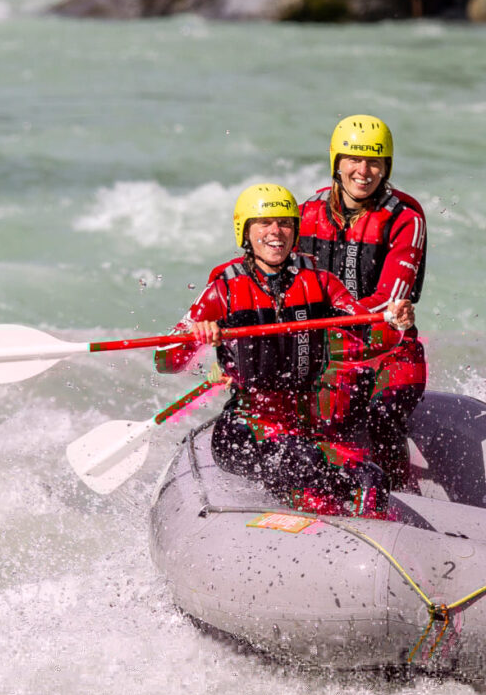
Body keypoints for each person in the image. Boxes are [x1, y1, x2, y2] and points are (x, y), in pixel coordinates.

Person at [157, 182, 414, 519]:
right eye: (264, 223)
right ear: (245, 231)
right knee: (304, 463)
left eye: (285, 223)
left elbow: (372, 337)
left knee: (372, 478)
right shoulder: (222, 290)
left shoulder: (322, 284)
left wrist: (395, 324)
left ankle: (371, 548)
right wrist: (195, 335)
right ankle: (319, 535)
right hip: (244, 429)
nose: (276, 232)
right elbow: (164, 360)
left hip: (304, 426)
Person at [296, 115, 428, 489]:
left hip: (388, 348)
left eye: (375, 161)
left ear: (387, 167)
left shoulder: (406, 217)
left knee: (383, 414)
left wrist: (328, 320)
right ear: (336, 163)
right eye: (353, 159)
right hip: (326, 349)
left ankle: (402, 491)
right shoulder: (305, 213)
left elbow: (390, 300)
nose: (363, 170)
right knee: (308, 415)